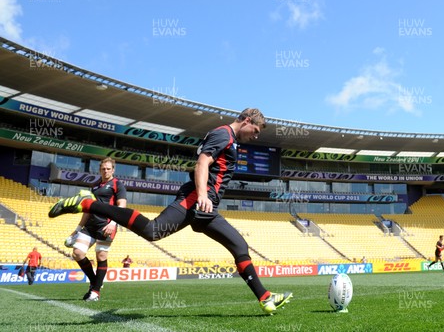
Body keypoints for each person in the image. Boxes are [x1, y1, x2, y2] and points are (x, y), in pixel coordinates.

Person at [49, 108, 293, 314]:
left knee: (239, 246)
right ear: (248, 120)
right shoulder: (224, 135)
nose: (255, 136)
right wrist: (203, 195)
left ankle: (264, 298)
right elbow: (202, 163)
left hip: (206, 208)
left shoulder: (229, 138)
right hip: (196, 201)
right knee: (153, 231)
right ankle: (88, 204)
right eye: (256, 131)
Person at [66, 157, 127, 302]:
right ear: (100, 169)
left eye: (108, 168)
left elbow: (122, 205)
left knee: (101, 256)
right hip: (89, 226)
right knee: (77, 253)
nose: (105, 171)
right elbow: (87, 209)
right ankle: (96, 282)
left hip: (106, 225)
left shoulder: (118, 184)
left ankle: (95, 291)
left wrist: (113, 223)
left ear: (113, 169)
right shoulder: (94, 186)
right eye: (103, 168)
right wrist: (78, 228)